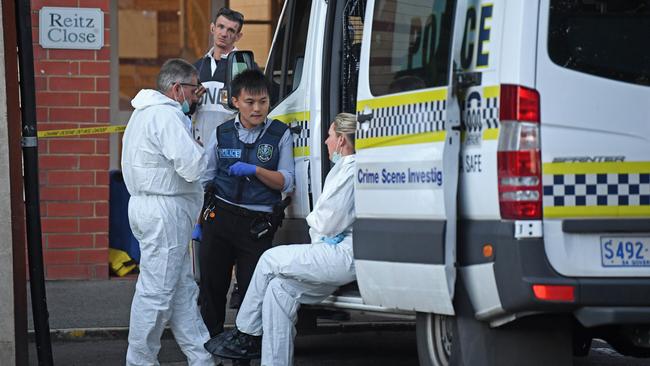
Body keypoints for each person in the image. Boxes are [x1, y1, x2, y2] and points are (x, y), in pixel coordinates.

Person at [204, 113, 358, 366]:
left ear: (341, 140)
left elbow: (327, 222)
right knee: (279, 290)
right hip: (332, 253)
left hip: (340, 255)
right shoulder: (343, 168)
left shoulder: (351, 170)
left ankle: (246, 333)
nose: (325, 142)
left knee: (270, 259)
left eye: (329, 136)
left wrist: (313, 220)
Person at [121, 58, 214, 366]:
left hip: (152, 207)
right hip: (165, 211)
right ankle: (140, 361)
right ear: (177, 89)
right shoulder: (166, 115)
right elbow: (192, 166)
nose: (197, 94)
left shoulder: (144, 113)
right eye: (194, 88)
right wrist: (202, 150)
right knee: (156, 294)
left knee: (180, 290)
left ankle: (202, 357)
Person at [198, 69, 295, 344]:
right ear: (236, 101)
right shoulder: (222, 132)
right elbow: (206, 178)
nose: (257, 108)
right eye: (250, 102)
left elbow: (286, 181)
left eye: (263, 102)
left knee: (252, 292)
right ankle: (212, 345)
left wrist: (256, 170)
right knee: (211, 286)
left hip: (257, 225)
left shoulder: (279, 134)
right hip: (220, 216)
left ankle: (243, 350)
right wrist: (197, 223)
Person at [192, 7, 245, 146]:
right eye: (221, 27)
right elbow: (185, 109)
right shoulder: (196, 67)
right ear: (212, 28)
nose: (224, 33)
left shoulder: (245, 67)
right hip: (200, 146)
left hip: (232, 146)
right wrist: (192, 101)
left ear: (238, 36)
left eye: (231, 30)